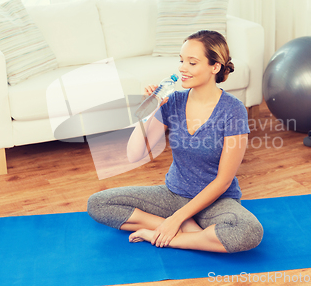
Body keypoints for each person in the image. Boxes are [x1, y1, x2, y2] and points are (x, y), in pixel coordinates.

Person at [87, 30, 263, 253]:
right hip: (173, 194)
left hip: (214, 201)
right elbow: (135, 154)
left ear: (214, 67)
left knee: (248, 231)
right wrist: (149, 111)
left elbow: (223, 181)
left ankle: (169, 236)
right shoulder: (173, 101)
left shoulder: (233, 109)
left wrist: (174, 220)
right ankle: (196, 235)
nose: (182, 68)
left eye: (192, 62)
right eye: (181, 61)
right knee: (98, 204)